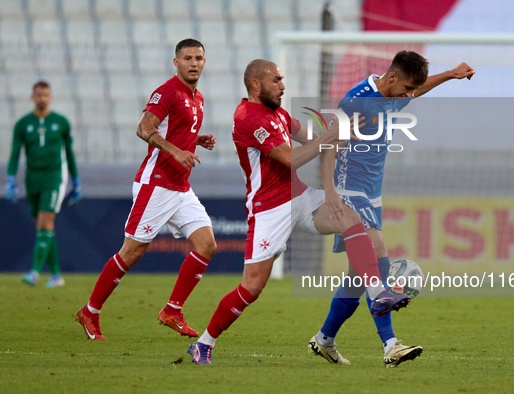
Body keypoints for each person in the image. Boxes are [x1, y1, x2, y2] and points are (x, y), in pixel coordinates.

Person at [186, 59, 411, 365]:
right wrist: (331, 136)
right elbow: (292, 158)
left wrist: (342, 136)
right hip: (268, 210)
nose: (282, 85)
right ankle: (204, 343)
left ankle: (376, 291)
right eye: (276, 79)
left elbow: (316, 139)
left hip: (300, 198)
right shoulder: (248, 117)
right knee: (252, 287)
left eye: (282, 79)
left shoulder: (278, 113)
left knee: (351, 217)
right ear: (255, 84)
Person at [309, 50, 475, 367]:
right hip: (348, 192)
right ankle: (390, 345)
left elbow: (417, 91)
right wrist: (330, 193)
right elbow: (328, 147)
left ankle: (324, 339)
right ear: (393, 77)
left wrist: (450, 73)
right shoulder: (355, 102)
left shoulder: (394, 92)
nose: (409, 95)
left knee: (359, 276)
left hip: (373, 195)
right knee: (378, 254)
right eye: (407, 88)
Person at [75, 38, 217, 340]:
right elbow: (144, 128)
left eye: (199, 58)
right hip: (156, 184)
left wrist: (194, 141)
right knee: (132, 252)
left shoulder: (198, 98)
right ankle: (90, 311)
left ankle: (172, 311)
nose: (194, 63)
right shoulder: (167, 92)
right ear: (176, 62)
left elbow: (174, 132)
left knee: (207, 244)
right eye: (188, 58)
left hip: (180, 186)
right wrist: (176, 152)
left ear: (205, 62)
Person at [6, 81, 81, 288]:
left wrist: (75, 179)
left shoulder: (61, 122)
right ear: (32, 97)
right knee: (44, 228)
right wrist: (10, 178)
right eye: (38, 95)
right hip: (33, 178)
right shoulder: (23, 124)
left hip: (54, 177)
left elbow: (69, 153)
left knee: (45, 223)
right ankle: (56, 275)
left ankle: (35, 272)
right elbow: (14, 152)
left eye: (45, 95)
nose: (42, 98)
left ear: (50, 97)